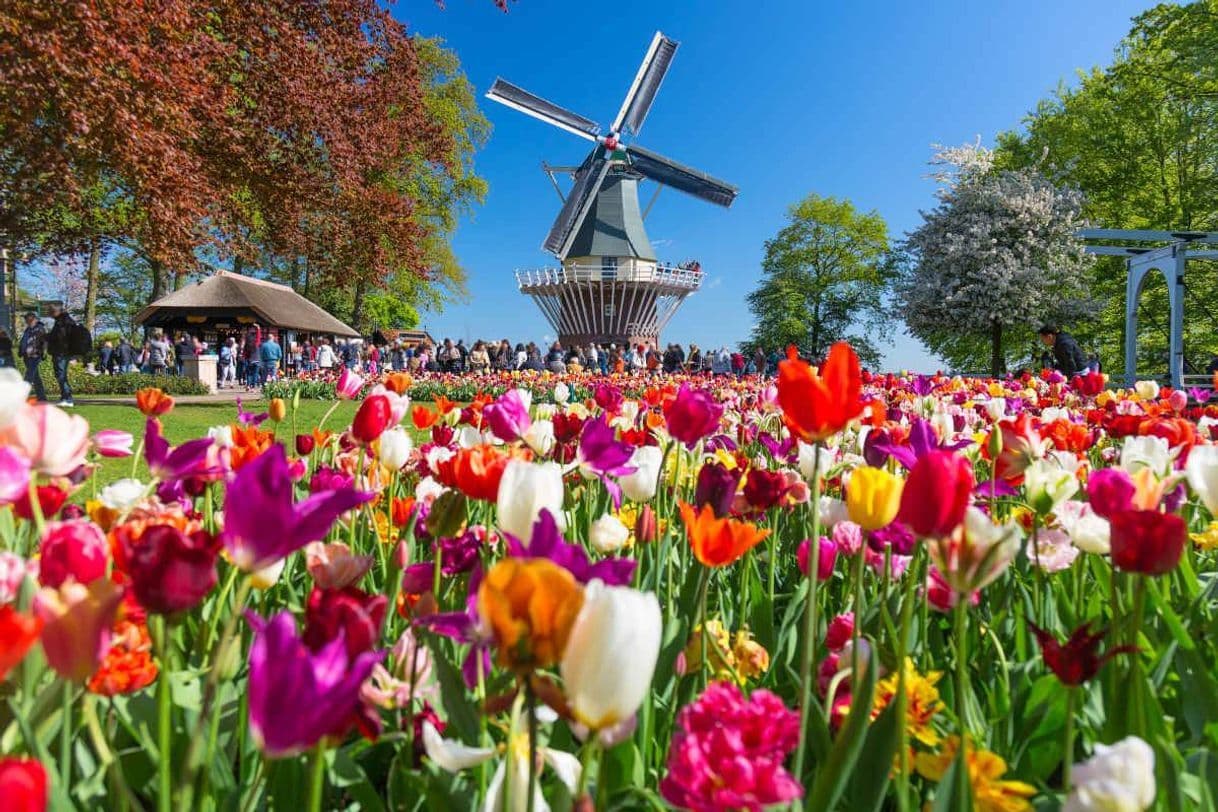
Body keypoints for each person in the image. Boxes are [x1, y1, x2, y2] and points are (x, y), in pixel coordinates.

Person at [47, 304, 77, 406]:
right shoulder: (64, 321)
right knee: (60, 375)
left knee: (61, 375)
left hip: (61, 352)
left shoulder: (63, 322)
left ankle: (68, 399)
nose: (50, 314)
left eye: (51, 312)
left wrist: (47, 337)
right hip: (61, 352)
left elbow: (60, 338)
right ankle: (65, 397)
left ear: (57, 312)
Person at [19, 312, 47, 401]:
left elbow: (44, 342)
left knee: (28, 376)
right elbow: (24, 342)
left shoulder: (40, 329)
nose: (27, 321)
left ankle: (21, 396)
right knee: (36, 378)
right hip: (27, 357)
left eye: (28, 319)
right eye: (26, 319)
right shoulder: (27, 329)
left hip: (35, 356)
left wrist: (43, 352)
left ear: (34, 319)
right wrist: (21, 351)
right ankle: (42, 397)